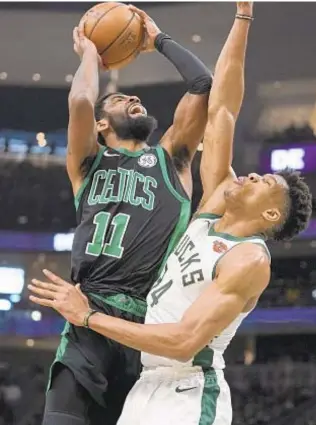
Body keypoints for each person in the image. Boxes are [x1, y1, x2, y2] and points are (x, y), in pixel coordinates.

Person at [30, 4, 313, 425]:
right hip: (133, 363)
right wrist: (242, 15)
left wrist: (87, 314)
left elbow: (183, 341)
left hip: (176, 372)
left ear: (271, 211)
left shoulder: (245, 254)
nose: (253, 174)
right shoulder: (203, 213)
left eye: (264, 182)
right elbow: (223, 109)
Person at [40, 5, 213, 425]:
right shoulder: (87, 163)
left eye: (133, 96)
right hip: (87, 321)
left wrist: (158, 40)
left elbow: (203, 84)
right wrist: (89, 55)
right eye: (120, 98)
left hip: (148, 329)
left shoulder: (172, 160)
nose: (134, 97)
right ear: (101, 125)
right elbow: (81, 98)